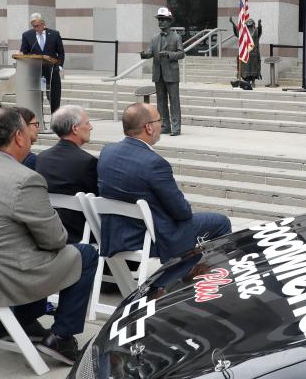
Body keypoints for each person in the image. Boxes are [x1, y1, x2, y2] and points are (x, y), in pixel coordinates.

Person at [0, 107, 98, 365]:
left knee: (32, 247)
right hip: (0, 276)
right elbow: (55, 240)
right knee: (84, 254)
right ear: (18, 137)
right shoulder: (24, 179)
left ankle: (23, 320)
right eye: (28, 130)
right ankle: (62, 337)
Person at [97, 103, 232, 265]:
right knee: (221, 223)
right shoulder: (154, 163)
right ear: (148, 128)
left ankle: (187, 274)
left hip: (115, 235)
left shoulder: (107, 152)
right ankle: (210, 280)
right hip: (149, 237)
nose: (161, 125)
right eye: (159, 120)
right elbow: (182, 212)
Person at [36, 105, 97, 244]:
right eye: (87, 123)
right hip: (82, 233)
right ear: (75, 128)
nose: (91, 127)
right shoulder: (87, 161)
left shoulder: (42, 158)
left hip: (53, 229)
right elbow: (97, 200)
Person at [140, 7, 185, 136]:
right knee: (161, 102)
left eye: (163, 20)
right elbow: (150, 52)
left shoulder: (176, 37)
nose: (161, 22)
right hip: (158, 74)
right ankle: (165, 126)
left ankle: (176, 128)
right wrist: (144, 54)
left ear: (169, 21)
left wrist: (169, 54)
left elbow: (181, 54)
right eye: (159, 20)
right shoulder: (154, 38)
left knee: (174, 101)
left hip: (171, 74)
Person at [18, 13, 65, 113]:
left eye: (37, 26)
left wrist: (59, 67)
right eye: (33, 26)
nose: (35, 28)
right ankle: (39, 123)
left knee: (54, 98)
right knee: (36, 101)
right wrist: (21, 53)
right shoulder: (27, 35)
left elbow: (61, 52)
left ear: (43, 24)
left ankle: (55, 122)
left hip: (52, 72)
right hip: (35, 72)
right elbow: (24, 51)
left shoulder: (54, 34)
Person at [229, 16, 262, 84]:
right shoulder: (244, 31)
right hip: (245, 53)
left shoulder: (256, 30)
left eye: (251, 21)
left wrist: (259, 24)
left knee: (254, 68)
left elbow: (260, 31)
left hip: (254, 53)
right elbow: (237, 31)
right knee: (246, 68)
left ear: (253, 23)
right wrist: (232, 23)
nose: (249, 22)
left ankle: (253, 81)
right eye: (248, 21)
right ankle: (247, 81)